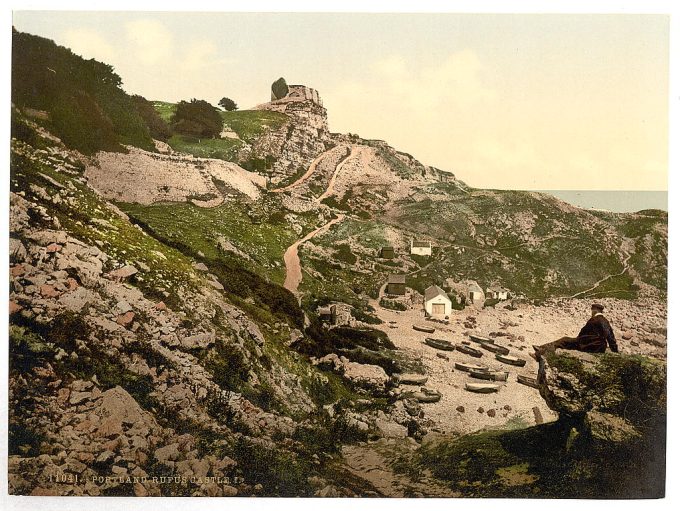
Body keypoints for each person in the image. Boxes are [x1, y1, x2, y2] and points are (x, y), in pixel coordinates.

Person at [533, 303, 618, 359]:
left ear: (595, 310)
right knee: (566, 340)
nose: (591, 311)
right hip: (594, 345)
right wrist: (615, 351)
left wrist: (615, 352)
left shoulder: (598, 320)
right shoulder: (603, 320)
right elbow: (610, 336)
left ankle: (540, 353)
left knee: (564, 340)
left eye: (592, 309)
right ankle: (541, 349)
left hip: (589, 345)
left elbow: (608, 336)